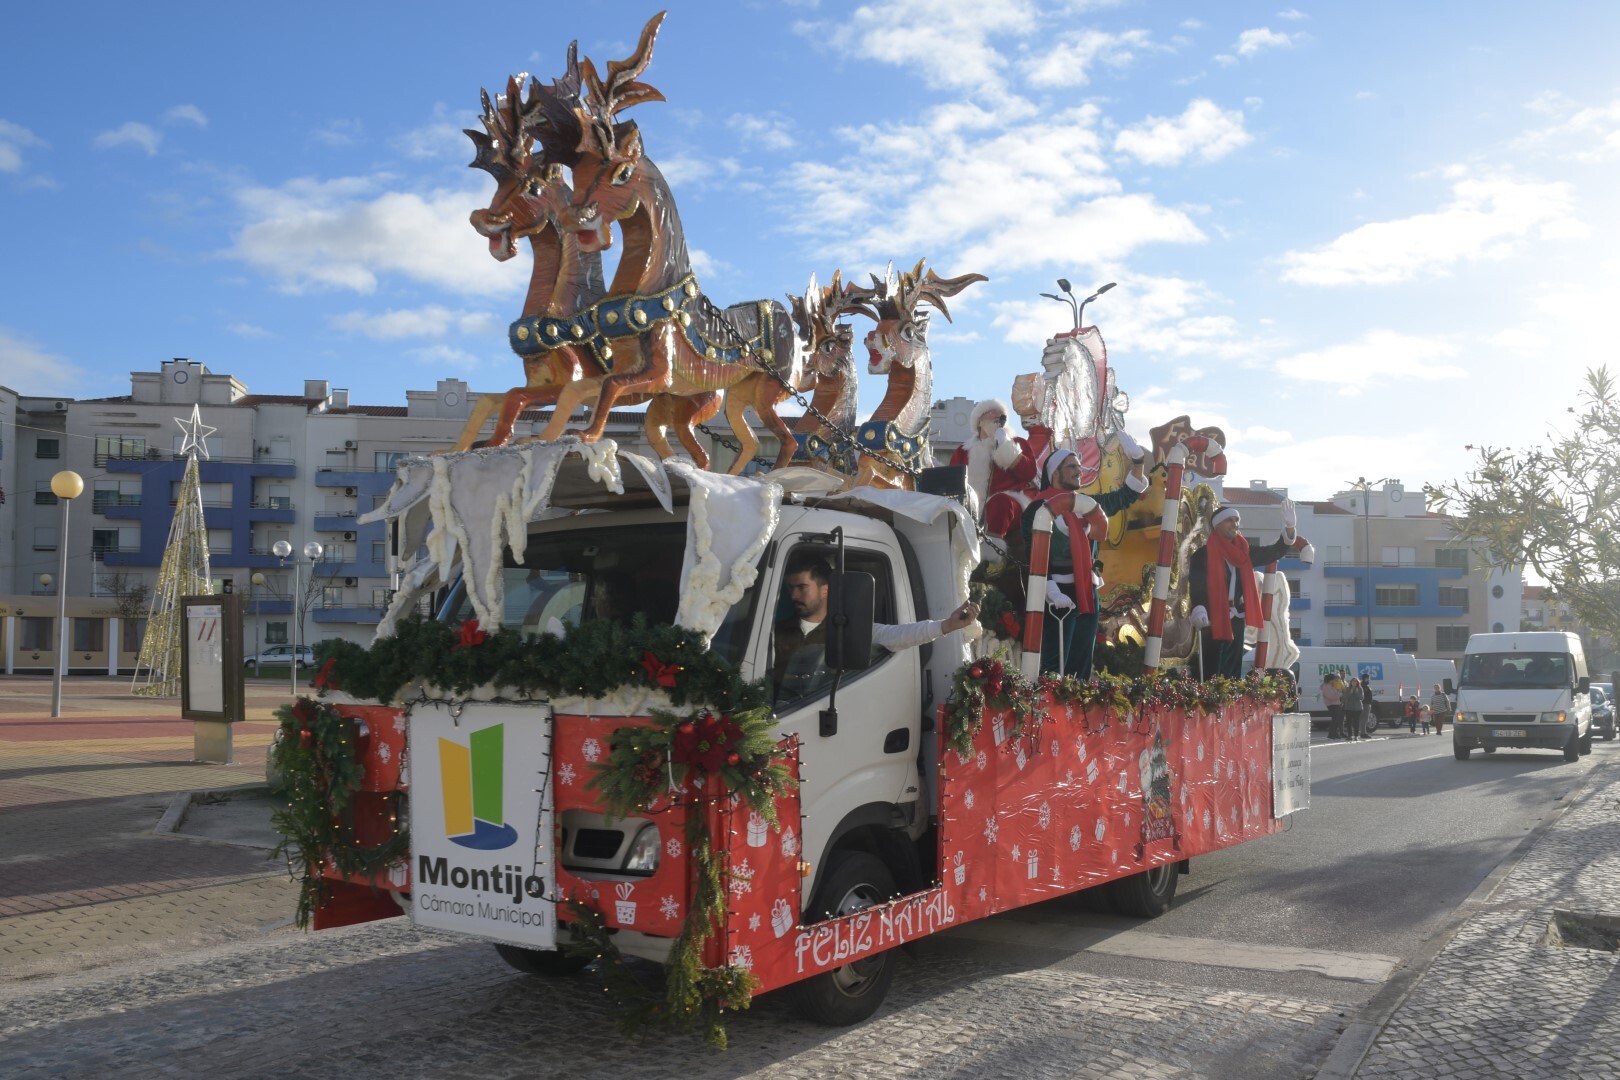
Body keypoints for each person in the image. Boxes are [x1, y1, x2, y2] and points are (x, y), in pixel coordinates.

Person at [1020, 437, 1149, 680]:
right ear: (1055, 472)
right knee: (1053, 660)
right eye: (1072, 466)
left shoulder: (1087, 504)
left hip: (1087, 589)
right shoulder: (1037, 509)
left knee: (1081, 660)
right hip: (1055, 591)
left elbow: (1126, 496)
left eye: (1079, 466)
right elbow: (1031, 552)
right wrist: (1048, 586)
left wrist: (1138, 461)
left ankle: (1076, 709)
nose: (1079, 471)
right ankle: (1048, 710)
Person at [772, 555, 979, 706]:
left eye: (801, 587)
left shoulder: (848, 629)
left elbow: (899, 635)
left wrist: (946, 625)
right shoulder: (775, 632)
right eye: (791, 588)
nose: (794, 596)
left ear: (825, 589)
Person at [1189, 502, 1302, 680]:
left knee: (1232, 671)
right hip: (1213, 618)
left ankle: (1230, 703)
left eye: (1236, 520)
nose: (1235, 524)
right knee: (1212, 669)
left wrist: (1289, 528)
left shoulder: (1244, 552)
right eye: (1229, 520)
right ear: (1217, 525)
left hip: (1237, 619)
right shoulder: (1203, 555)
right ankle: (1210, 703)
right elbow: (1197, 584)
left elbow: (1273, 552)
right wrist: (1199, 607)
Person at [948, 398, 1039, 538]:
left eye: (1001, 414)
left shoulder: (1017, 443)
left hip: (1009, 504)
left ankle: (991, 555)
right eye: (992, 412)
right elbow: (951, 481)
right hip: (970, 506)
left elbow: (1029, 473)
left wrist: (1005, 445)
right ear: (979, 422)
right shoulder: (963, 450)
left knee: (1000, 503)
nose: (998, 415)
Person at [1323, 674, 1344, 740]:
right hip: (1332, 704)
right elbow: (1331, 696)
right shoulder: (1326, 686)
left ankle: (1334, 733)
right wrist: (1340, 694)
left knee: (1336, 720)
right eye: (1333, 679)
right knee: (1335, 720)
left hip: (1335, 704)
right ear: (1330, 680)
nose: (1334, 680)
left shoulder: (1330, 686)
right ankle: (1332, 734)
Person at [1343, 677, 1364, 741]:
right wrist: (1350, 692)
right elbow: (1345, 697)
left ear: (1357, 682)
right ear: (1351, 682)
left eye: (1355, 681)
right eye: (1353, 681)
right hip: (1349, 708)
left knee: (1356, 722)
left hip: (1357, 708)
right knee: (1349, 722)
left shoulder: (1360, 689)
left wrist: (1357, 693)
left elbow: (1362, 698)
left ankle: (1356, 735)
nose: (1354, 682)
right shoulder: (1347, 689)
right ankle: (1350, 735)